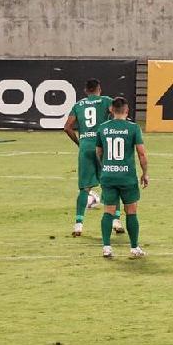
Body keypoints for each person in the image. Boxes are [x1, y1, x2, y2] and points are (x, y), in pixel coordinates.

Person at [64, 78, 122, 237]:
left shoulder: (78, 105)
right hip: (102, 147)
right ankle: (116, 221)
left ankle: (78, 225)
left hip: (85, 147)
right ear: (99, 89)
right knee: (111, 185)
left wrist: (80, 143)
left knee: (84, 188)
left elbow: (67, 127)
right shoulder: (106, 101)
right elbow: (117, 113)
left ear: (85, 90)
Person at [94, 97, 148, 259]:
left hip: (108, 175)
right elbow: (141, 153)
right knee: (131, 211)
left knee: (108, 211)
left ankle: (106, 248)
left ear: (111, 110)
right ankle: (134, 247)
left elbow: (98, 151)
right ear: (127, 110)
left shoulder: (102, 128)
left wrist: (106, 167)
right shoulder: (133, 128)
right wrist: (145, 173)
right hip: (127, 177)